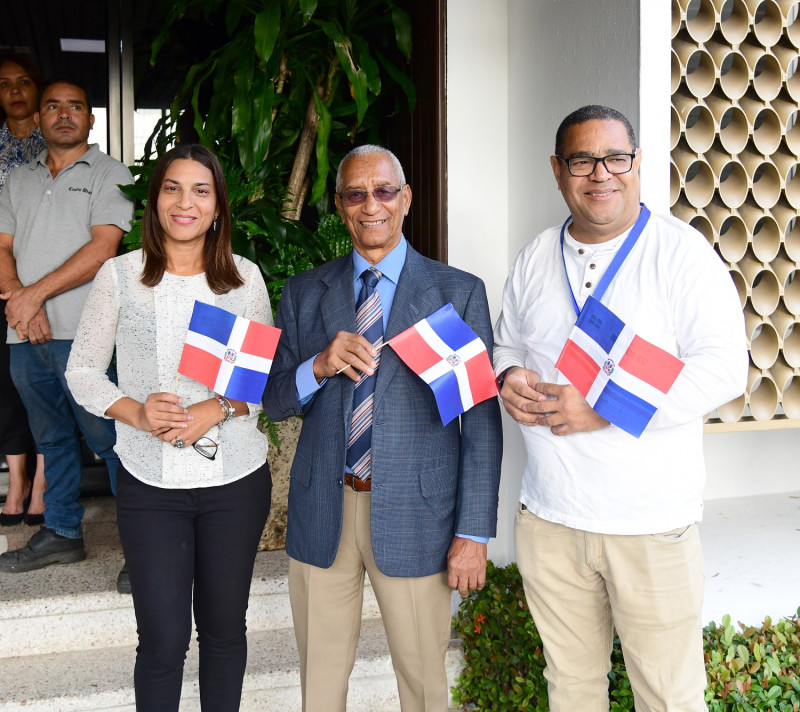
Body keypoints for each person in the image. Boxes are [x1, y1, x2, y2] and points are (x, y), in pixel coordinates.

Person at [493, 105, 748, 711]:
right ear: (558, 171)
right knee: (572, 690)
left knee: (667, 696)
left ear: (637, 165)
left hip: (650, 525)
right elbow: (506, 341)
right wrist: (508, 375)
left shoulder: (681, 254)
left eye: (616, 158)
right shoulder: (534, 257)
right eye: (582, 160)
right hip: (551, 519)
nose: (600, 173)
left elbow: (724, 370)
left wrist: (604, 406)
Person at [264, 144, 502, 712]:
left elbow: (481, 423)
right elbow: (273, 402)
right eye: (355, 194)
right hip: (326, 509)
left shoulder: (456, 292)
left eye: (384, 191)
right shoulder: (304, 292)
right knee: (319, 686)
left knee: (423, 685)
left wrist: (474, 533)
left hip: (419, 517)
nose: (371, 205)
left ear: (406, 199)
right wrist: (317, 366)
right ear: (341, 208)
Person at [65, 144, 272, 711]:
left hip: (235, 480)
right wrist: (133, 410)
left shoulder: (243, 280)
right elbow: (81, 369)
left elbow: (257, 380)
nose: (186, 202)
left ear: (218, 207)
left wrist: (218, 407)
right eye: (172, 188)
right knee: (162, 640)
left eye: (201, 190)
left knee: (225, 632)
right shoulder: (120, 276)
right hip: (150, 485)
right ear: (154, 200)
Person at [0, 76, 133, 572]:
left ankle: (139, 545)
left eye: (75, 106)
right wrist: (22, 304)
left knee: (110, 439)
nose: (63, 114)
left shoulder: (108, 172)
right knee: (49, 436)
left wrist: (31, 296)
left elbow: (103, 249)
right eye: (52, 106)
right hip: (23, 335)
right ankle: (60, 531)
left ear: (90, 119)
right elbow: (2, 246)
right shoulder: (18, 179)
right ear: (37, 120)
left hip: (85, 332)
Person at [0, 54, 47, 526]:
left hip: (48, 287)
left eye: (24, 82)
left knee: (44, 388)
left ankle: (42, 485)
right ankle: (15, 482)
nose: (14, 90)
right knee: (7, 388)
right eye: (4, 83)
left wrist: (31, 296)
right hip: (3, 284)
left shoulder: (53, 143)